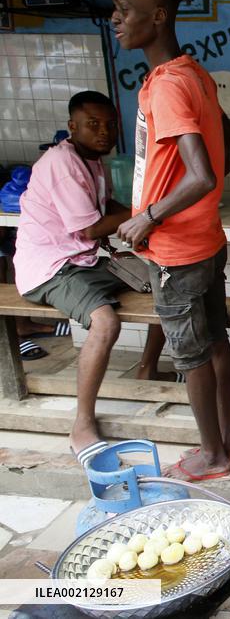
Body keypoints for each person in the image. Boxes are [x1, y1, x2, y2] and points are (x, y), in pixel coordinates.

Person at [112, 0, 230, 480]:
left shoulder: (167, 84)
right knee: (215, 342)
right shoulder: (196, 75)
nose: (116, 19)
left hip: (176, 251)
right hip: (205, 239)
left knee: (190, 356)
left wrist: (149, 215)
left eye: (125, 9)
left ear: (159, 15)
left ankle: (212, 455)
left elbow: (202, 175)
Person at [13, 91, 179, 465]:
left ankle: (148, 370)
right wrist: (147, 215)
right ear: (72, 127)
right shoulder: (62, 164)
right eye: (93, 124)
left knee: (166, 281)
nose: (104, 132)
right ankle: (82, 424)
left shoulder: (91, 162)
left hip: (83, 261)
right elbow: (90, 228)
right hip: (51, 268)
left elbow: (108, 209)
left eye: (109, 125)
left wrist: (145, 215)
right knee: (106, 323)